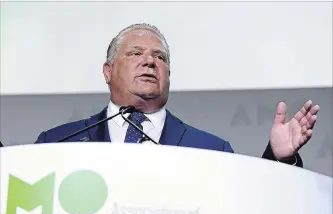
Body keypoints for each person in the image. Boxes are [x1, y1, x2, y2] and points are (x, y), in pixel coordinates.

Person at [35, 23, 320, 167]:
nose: (149, 61)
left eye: (159, 57)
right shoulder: (57, 143)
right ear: (108, 71)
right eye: (135, 53)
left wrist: (279, 158)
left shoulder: (212, 151)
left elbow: (245, 213)